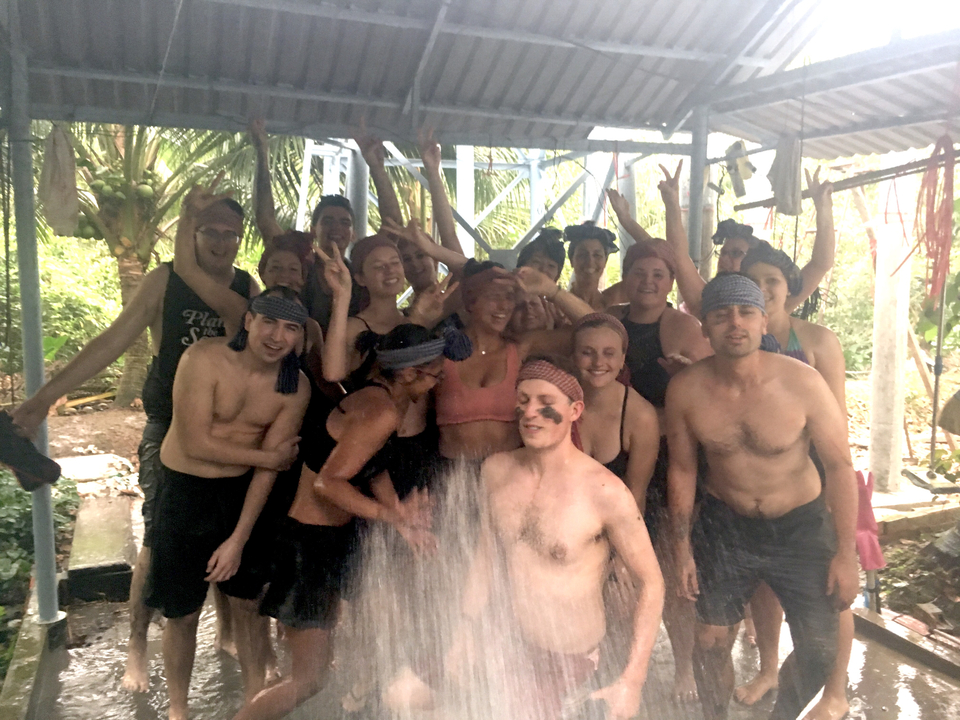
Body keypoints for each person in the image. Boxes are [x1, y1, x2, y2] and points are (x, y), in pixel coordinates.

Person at [11, 191, 257, 693]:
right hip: (170, 431)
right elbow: (111, 341)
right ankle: (137, 645)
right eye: (211, 230)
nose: (223, 242)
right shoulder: (164, 280)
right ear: (192, 233)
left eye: (231, 233)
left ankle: (228, 632)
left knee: (231, 533)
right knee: (158, 538)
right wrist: (41, 401)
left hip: (230, 435)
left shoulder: (246, 288)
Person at [231, 324, 455, 720]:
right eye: (435, 373)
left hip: (331, 541)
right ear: (408, 373)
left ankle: (370, 697)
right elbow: (327, 484)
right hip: (308, 547)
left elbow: (372, 467)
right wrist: (389, 514)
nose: (438, 381)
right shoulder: (381, 411)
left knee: (378, 626)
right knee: (309, 679)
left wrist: (401, 520)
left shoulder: (381, 399)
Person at [667, 273, 858, 720]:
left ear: (762, 319)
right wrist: (681, 548)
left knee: (819, 647)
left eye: (746, 312)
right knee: (711, 641)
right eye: (721, 314)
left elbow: (840, 466)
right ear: (705, 325)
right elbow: (682, 468)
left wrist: (846, 554)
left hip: (801, 525)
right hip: (727, 523)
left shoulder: (804, 382)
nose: (735, 323)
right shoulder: (687, 390)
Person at [449, 356, 664, 720]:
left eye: (546, 404)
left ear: (574, 410)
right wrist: (464, 631)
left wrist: (633, 680)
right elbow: (486, 557)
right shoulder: (495, 471)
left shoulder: (605, 492)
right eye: (523, 401)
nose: (531, 413)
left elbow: (652, 583)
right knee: (401, 695)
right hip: (508, 641)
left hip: (569, 660)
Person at [145, 287, 311, 720]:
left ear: (299, 337)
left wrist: (238, 538)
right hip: (184, 490)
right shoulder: (203, 358)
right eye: (270, 322)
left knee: (249, 607)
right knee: (181, 611)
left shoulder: (294, 387)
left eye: (291, 328)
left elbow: (268, 473)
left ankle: (253, 702)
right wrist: (268, 457)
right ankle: (178, 711)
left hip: (240, 496)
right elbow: (195, 442)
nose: (277, 336)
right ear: (249, 321)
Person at [737, 242, 852, 720]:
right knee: (765, 582)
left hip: (820, 481)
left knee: (833, 590)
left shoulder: (817, 342)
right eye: (754, 283)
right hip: (765, 486)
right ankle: (768, 668)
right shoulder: (734, 338)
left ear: (789, 289)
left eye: (773, 283)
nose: (764, 292)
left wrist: (829, 500)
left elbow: (836, 427)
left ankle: (835, 692)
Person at [607, 237, 712, 702]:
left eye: (658, 275)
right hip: (619, 457)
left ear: (671, 282)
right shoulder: (613, 324)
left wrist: (687, 375)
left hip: (672, 459)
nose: (648, 282)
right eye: (640, 273)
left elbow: (713, 390)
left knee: (671, 567)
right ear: (626, 277)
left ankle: (684, 666)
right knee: (616, 566)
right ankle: (618, 663)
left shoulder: (683, 326)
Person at [612, 161, 835, 319]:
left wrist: (823, 208)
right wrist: (672, 203)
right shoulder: (708, 303)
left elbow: (820, 264)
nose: (726, 259)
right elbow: (675, 256)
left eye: (736, 253)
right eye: (724, 253)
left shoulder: (775, 303)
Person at [250, 119, 404, 331]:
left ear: (352, 234)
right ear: (314, 229)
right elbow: (266, 220)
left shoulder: (361, 273)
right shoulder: (298, 266)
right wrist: (261, 151)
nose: (336, 229)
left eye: (345, 223)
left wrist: (376, 166)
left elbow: (393, 224)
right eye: (328, 221)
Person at [572, 314, 659, 507]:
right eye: (587, 352)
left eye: (609, 353)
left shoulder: (640, 417)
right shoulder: (558, 403)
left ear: (622, 360)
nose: (598, 362)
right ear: (573, 357)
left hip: (618, 519)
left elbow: (636, 495)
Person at [565, 223, 620, 310]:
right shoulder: (558, 308)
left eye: (597, 255)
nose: (590, 262)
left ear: (605, 261)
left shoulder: (611, 306)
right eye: (582, 255)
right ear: (571, 260)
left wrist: (626, 219)